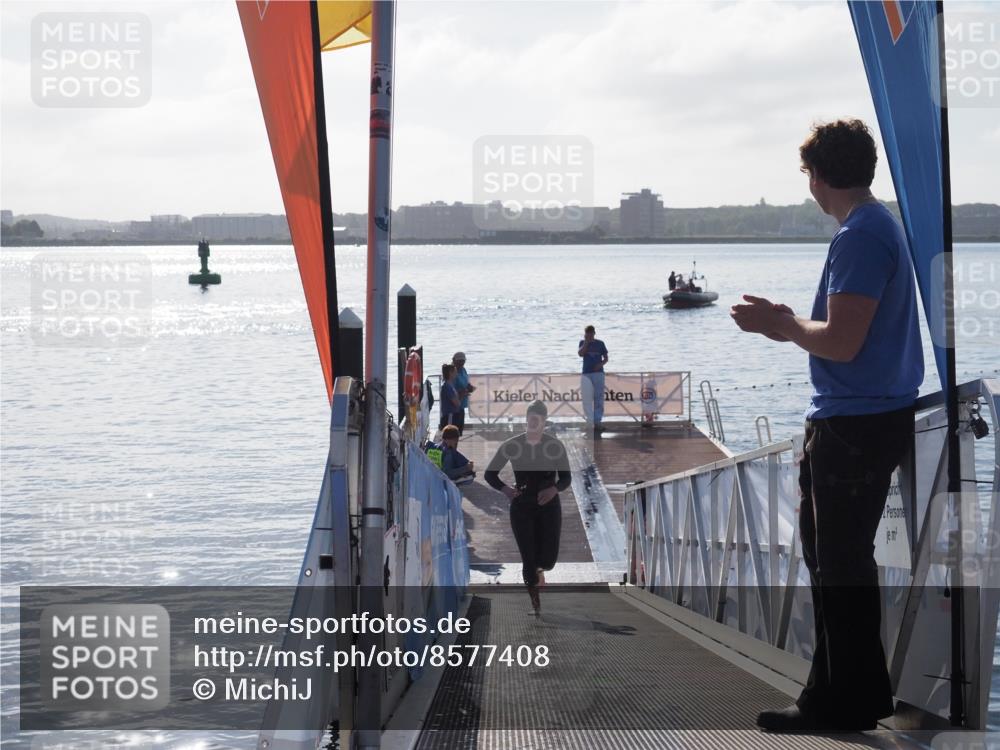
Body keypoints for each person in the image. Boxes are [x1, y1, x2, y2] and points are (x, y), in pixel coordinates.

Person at [731, 119, 923, 733]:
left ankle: (842, 700)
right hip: (866, 418)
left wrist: (778, 326)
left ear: (817, 177)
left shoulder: (860, 235)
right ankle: (842, 694)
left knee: (837, 564)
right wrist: (789, 319)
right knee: (837, 562)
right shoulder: (876, 226)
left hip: (854, 425)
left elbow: (841, 343)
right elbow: (849, 334)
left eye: (807, 175)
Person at [484, 400, 571, 615]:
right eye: (530, 419)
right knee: (528, 557)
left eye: (537, 420)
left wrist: (554, 490)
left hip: (548, 505)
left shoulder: (554, 445)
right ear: (526, 420)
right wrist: (506, 490)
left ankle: (541, 570)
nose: (532, 423)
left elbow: (566, 478)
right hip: (522, 506)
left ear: (544, 422)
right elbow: (489, 474)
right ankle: (536, 607)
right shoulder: (513, 444)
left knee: (548, 559)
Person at [578, 325, 609, 431]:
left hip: (598, 373)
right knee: (586, 398)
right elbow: (581, 354)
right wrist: (586, 342)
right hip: (586, 373)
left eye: (591, 333)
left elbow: (606, 358)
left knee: (598, 398)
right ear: (585, 334)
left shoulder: (600, 343)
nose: (590, 335)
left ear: (594, 333)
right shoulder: (582, 343)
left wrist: (600, 364)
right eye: (588, 333)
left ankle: (597, 422)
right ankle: (589, 421)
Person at [451, 352, 476, 436]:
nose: (462, 363)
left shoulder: (463, 369)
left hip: (462, 405)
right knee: (452, 431)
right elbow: (450, 390)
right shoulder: (451, 372)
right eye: (459, 361)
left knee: (459, 431)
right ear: (454, 361)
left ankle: (455, 446)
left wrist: (469, 387)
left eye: (463, 361)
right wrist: (464, 391)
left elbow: (466, 382)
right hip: (453, 406)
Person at [439, 363, 462, 431]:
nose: (456, 374)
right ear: (450, 373)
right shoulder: (447, 386)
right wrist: (461, 396)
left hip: (453, 414)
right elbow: (456, 403)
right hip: (449, 415)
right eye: (455, 372)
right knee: (450, 434)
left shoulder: (450, 385)